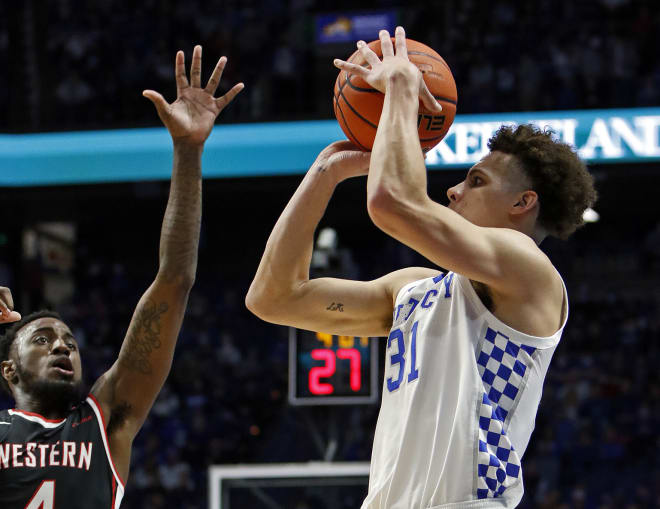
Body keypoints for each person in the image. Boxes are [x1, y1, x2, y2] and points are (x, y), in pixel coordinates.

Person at [246, 27, 596, 508]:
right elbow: (273, 298)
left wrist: (404, 91)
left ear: (523, 201)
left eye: (476, 181)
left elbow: (393, 201)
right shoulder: (412, 289)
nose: (453, 191)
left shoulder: (528, 270)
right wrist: (324, 174)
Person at [0, 46, 243, 508]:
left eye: (69, 341)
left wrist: (188, 152)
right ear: (8, 369)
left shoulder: (105, 420)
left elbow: (174, 279)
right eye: (43, 339)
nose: (62, 347)